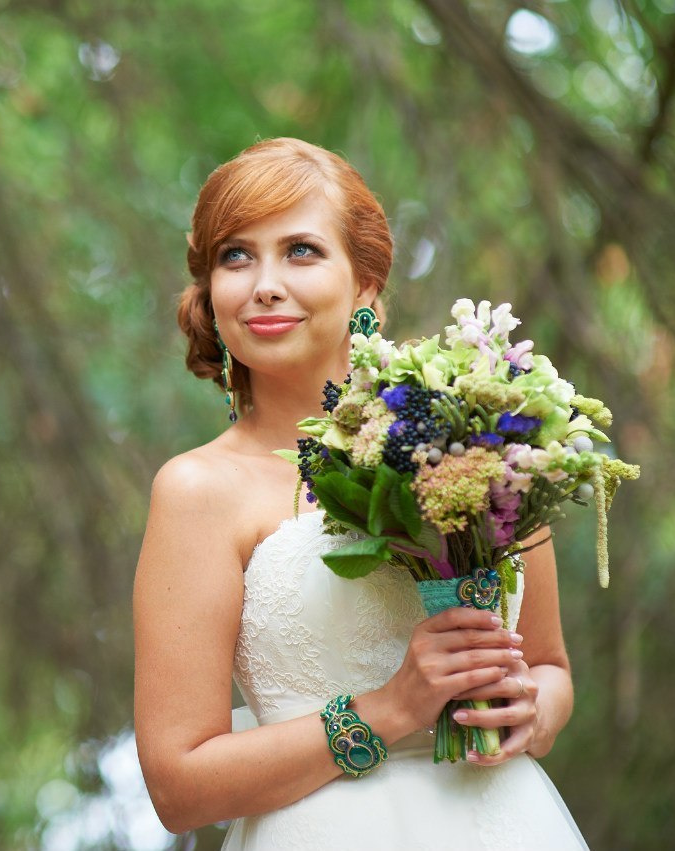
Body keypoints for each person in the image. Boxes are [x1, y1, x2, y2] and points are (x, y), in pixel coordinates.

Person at [132, 138, 588, 849]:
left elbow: (550, 669)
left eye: (301, 251)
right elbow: (178, 785)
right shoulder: (199, 491)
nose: (265, 284)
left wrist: (532, 710)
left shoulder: (473, 436)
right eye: (236, 256)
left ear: (366, 283)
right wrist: (390, 708)